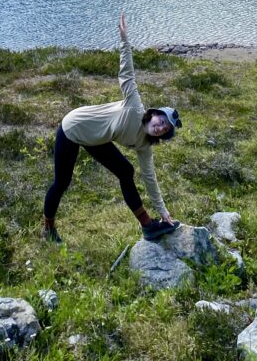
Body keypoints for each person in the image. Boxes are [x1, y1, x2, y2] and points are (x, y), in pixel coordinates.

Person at [42, 13, 181, 244]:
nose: (160, 127)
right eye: (161, 121)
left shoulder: (145, 145)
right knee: (62, 182)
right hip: (74, 127)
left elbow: (150, 178)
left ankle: (148, 225)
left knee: (126, 171)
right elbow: (127, 74)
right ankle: (48, 229)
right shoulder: (135, 107)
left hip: (95, 139)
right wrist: (124, 41)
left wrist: (163, 211)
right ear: (154, 114)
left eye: (165, 129)